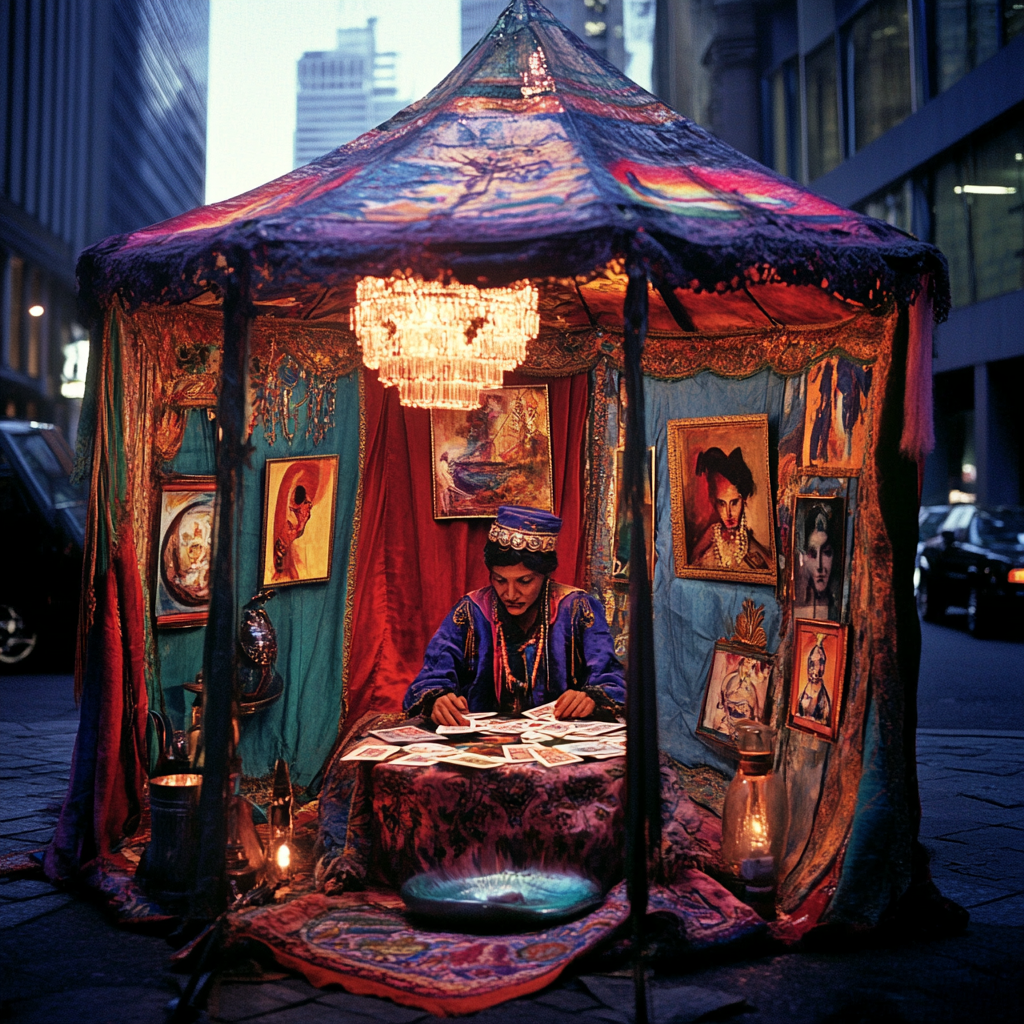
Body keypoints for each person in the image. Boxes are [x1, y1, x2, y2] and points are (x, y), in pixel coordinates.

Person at [403, 505, 625, 724]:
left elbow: (612, 678)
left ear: (545, 575)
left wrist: (591, 698)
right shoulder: (471, 610)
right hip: (482, 740)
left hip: (563, 736)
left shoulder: (577, 608)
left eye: (524, 581)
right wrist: (438, 700)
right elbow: (431, 677)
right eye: (500, 580)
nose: (510, 594)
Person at [690, 447, 772, 572]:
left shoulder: (746, 540)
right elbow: (689, 564)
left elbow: (771, 565)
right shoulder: (712, 534)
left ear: (743, 499)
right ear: (714, 501)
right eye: (722, 503)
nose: (728, 513)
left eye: (734, 503)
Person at [794, 502, 841, 621]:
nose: (819, 566)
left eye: (827, 552)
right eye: (812, 554)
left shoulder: (838, 609)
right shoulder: (796, 605)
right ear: (804, 557)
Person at [797, 634, 832, 726]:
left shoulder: (823, 700)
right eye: (812, 663)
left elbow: (824, 723)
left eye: (819, 664)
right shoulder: (802, 693)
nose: (814, 669)